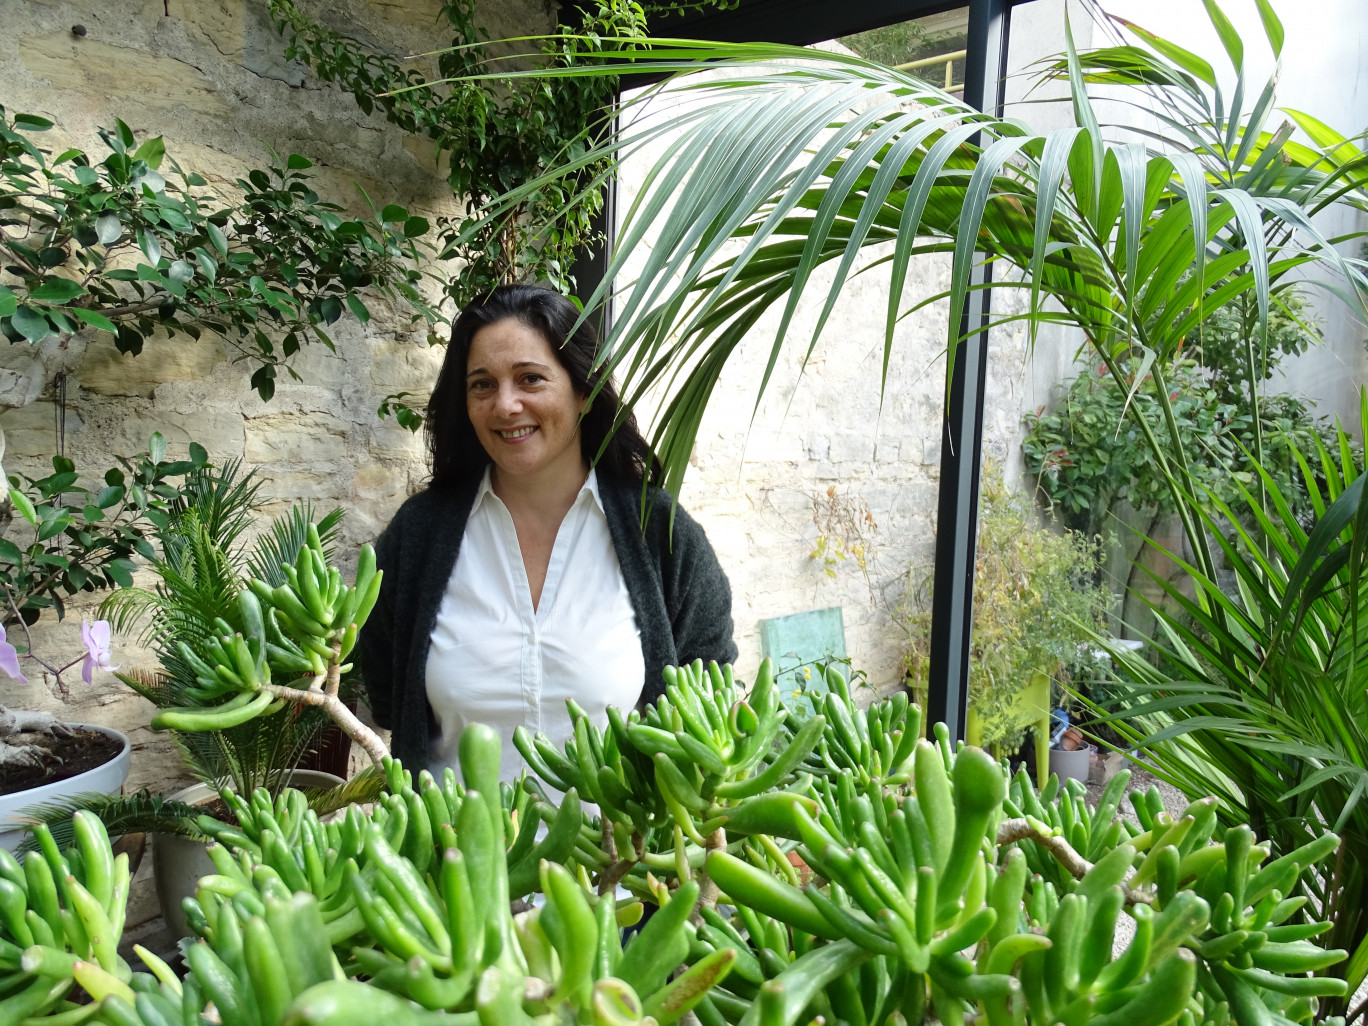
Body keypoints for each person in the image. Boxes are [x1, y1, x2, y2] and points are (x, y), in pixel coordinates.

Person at [359, 284, 738, 779]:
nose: (506, 405)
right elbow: (390, 699)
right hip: (454, 851)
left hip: (620, 853)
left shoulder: (662, 535)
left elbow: (710, 703)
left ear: (582, 391)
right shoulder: (417, 538)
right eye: (482, 384)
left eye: (530, 378)